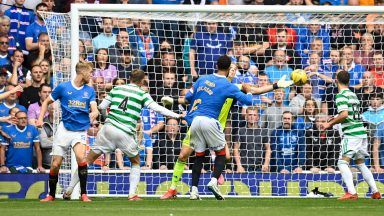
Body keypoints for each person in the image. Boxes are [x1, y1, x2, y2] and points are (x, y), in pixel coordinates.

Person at [160, 60, 293, 200]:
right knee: (183, 155)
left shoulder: (235, 86)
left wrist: (276, 85)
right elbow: (190, 99)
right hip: (204, 123)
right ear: (226, 69)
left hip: (216, 127)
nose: (233, 71)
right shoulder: (212, 82)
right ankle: (174, 189)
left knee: (226, 157)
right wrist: (174, 100)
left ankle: (215, 173)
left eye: (235, 69)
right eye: (231, 68)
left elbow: (256, 90)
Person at [63, 69, 182, 201]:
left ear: (129, 78)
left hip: (108, 129)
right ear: (142, 81)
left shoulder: (116, 89)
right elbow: (157, 108)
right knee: (135, 161)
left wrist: (108, 116)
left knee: (87, 160)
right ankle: (132, 194)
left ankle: (68, 190)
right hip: (124, 132)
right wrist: (177, 115)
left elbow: (101, 106)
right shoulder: (142, 93)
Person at [37, 62, 99, 202]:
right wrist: (40, 119)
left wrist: (94, 112)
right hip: (64, 129)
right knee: (55, 164)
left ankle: (83, 194)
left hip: (80, 131)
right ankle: (51, 195)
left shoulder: (89, 91)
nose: (91, 75)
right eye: (90, 72)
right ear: (82, 73)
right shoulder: (63, 87)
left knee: (81, 158)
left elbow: (94, 108)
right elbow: (46, 102)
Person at [319, 70, 381, 200]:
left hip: (352, 133)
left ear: (336, 79)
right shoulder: (353, 94)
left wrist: (328, 125)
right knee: (360, 163)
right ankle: (375, 191)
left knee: (342, 162)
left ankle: (352, 192)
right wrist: (333, 120)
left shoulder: (341, 95)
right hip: (361, 132)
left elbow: (344, 114)